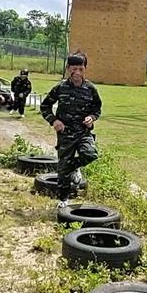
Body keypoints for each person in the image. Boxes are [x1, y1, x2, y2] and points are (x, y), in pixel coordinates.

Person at [40, 53, 102, 208]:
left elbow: (97, 108)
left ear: (85, 69)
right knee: (63, 168)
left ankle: (75, 167)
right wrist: (54, 120)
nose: (78, 73)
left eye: (81, 69)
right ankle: (63, 199)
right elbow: (45, 106)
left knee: (90, 154)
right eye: (74, 69)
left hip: (83, 132)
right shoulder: (61, 88)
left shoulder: (90, 89)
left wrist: (92, 117)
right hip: (65, 134)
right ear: (68, 69)